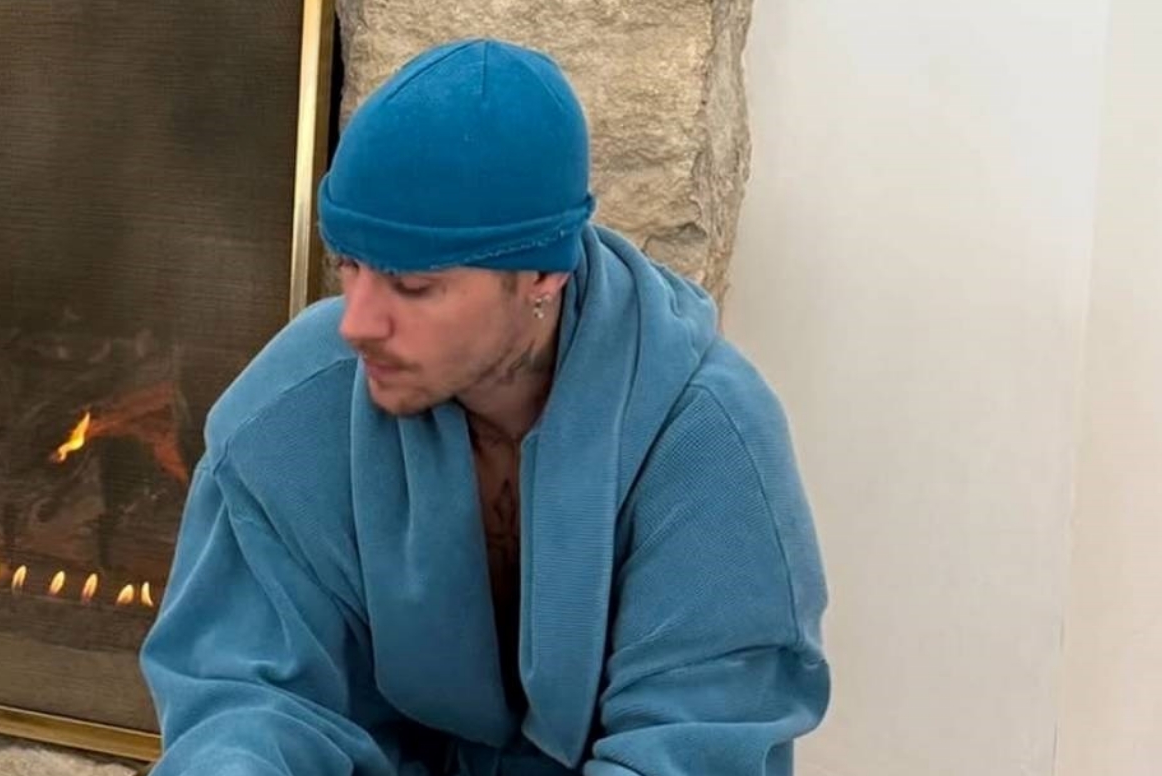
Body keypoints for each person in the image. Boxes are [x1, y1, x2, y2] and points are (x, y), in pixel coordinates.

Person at [139, 37, 830, 776]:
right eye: (349, 265)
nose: (356, 323)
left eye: (413, 286)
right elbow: (246, 695)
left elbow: (696, 742)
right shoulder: (291, 410)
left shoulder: (705, 436)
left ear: (541, 274)